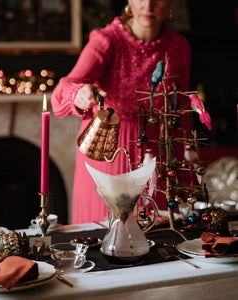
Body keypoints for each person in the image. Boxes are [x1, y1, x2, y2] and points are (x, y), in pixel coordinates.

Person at [51, 0, 191, 224]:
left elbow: (181, 111)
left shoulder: (178, 46)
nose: (148, 5)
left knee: (158, 236)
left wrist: (186, 168)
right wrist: (79, 94)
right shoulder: (107, 41)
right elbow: (61, 92)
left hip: (158, 158)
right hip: (108, 153)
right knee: (104, 237)